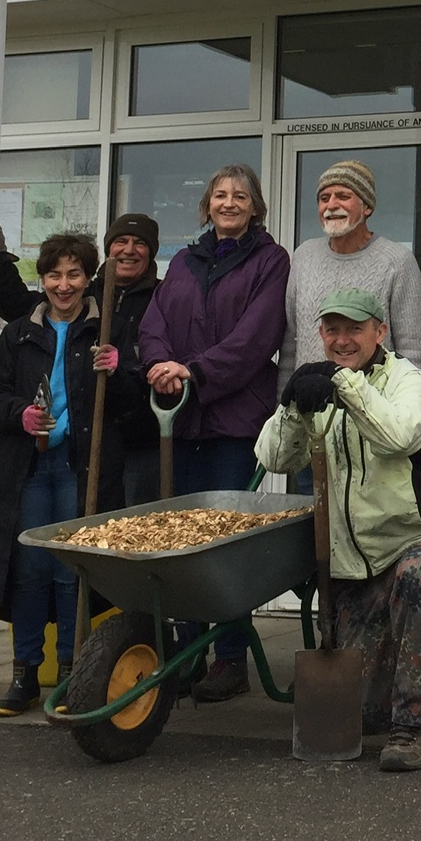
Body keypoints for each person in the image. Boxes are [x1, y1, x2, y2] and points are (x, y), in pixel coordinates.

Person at [255, 289, 421, 772]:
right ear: (321, 333)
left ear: (379, 332)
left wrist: (347, 386)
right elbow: (274, 458)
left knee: (417, 577)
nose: (343, 340)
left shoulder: (403, 378)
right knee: (363, 712)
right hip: (352, 564)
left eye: (355, 329)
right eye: (333, 330)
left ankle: (413, 730)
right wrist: (291, 408)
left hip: (417, 540)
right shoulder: (317, 385)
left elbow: (399, 435)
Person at [138, 163, 291, 702]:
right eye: (220, 195)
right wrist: (159, 364)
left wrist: (194, 372)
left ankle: (230, 660)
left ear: (255, 207)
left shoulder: (271, 261)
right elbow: (153, 324)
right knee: (181, 537)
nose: (229, 203)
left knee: (223, 541)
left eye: (241, 196)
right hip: (182, 421)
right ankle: (186, 654)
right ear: (207, 205)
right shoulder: (182, 261)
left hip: (233, 420)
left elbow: (257, 336)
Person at [0, 232, 117, 715]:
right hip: (29, 467)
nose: (64, 285)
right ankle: (25, 673)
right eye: (54, 275)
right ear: (42, 279)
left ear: (88, 278)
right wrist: (19, 415)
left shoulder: (103, 329)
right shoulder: (19, 332)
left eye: (74, 274)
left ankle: (73, 672)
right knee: (28, 570)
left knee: (70, 570)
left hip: (79, 466)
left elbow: (129, 397)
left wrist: (122, 367)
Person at [0, 212, 165, 502]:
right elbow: (18, 305)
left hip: (136, 438)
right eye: (121, 241)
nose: (129, 250)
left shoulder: (162, 297)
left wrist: (119, 370)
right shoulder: (83, 297)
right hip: (76, 444)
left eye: (139, 243)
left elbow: (138, 380)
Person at [278, 160, 421, 384]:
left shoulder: (397, 261)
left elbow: (414, 351)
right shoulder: (303, 257)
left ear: (367, 207)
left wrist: (402, 410)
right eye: (324, 198)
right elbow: (290, 345)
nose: (331, 205)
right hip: (308, 408)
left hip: (373, 411)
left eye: (342, 196)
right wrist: (284, 403)